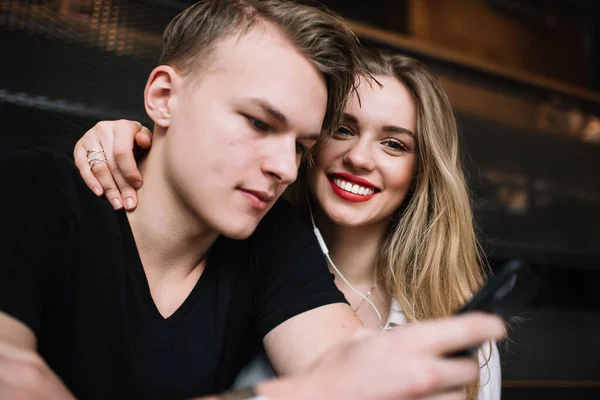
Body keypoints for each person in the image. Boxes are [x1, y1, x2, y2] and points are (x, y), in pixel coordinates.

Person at [0, 0, 505, 399]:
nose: (286, 169)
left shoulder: (272, 240)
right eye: (260, 123)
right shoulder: (32, 194)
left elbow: (349, 373)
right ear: (163, 98)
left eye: (302, 145)